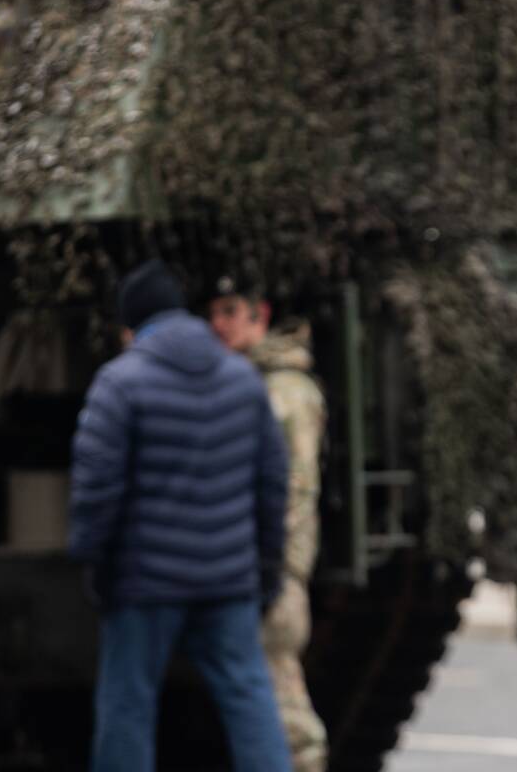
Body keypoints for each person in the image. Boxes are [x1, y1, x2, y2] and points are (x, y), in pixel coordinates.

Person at [68, 259, 293, 772]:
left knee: (128, 703)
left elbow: (96, 484)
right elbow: (272, 482)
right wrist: (266, 566)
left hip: (144, 583)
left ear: (132, 326)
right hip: (228, 579)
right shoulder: (242, 380)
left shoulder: (119, 383)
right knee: (249, 696)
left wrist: (90, 558)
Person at [209, 277, 328, 772]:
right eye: (215, 312)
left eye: (231, 311)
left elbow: (297, 485)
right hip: (261, 558)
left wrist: (273, 558)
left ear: (261, 313)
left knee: (281, 692)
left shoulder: (285, 391)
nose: (220, 324)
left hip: (275, 561)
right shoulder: (254, 382)